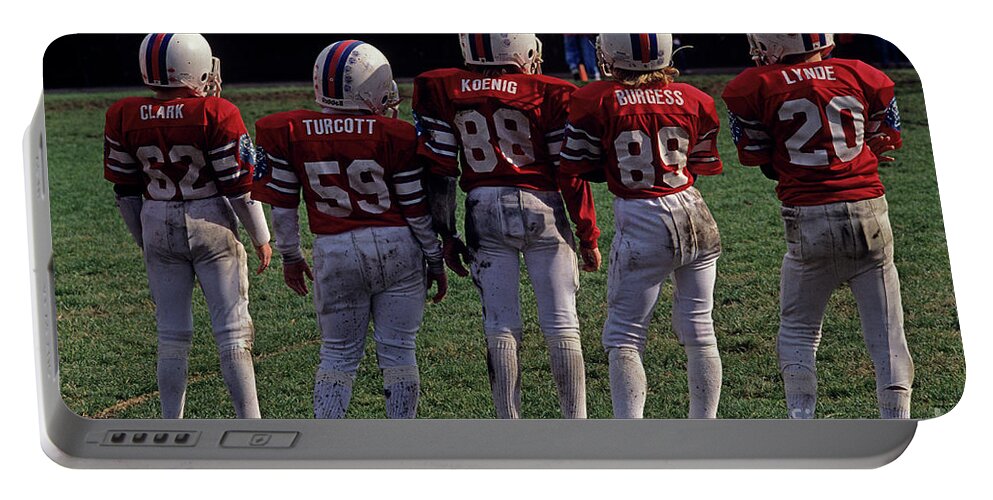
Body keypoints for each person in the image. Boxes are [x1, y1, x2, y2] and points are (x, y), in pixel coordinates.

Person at [252, 40, 447, 419]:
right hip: (397, 247)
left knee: (338, 355)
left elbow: (283, 205)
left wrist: (291, 255)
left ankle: (328, 445)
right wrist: (434, 256)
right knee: (399, 352)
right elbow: (414, 206)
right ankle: (400, 443)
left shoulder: (291, 130)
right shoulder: (396, 133)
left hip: (334, 248)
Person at [722, 33, 913, 419]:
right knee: (889, 336)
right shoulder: (863, 74)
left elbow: (759, 158)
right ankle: (897, 422)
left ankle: (802, 424)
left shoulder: (752, 86)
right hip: (868, 210)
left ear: (776, 44)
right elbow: (885, 135)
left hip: (807, 217)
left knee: (799, 331)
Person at [413, 33, 601, 418]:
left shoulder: (445, 87)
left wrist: (446, 233)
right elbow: (569, 172)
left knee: (500, 324)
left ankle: (508, 423)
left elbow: (442, 170)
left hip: (483, 207)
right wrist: (588, 233)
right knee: (562, 320)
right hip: (541, 205)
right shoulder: (550, 90)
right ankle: (576, 422)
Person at [103, 33, 272, 418]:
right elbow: (240, 186)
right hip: (208, 215)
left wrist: (145, 241)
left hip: (155, 217)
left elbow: (125, 191)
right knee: (232, 332)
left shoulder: (123, 114)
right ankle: (251, 424)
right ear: (193, 65)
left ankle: (171, 424)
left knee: (171, 336)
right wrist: (261, 237)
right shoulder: (216, 111)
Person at [560, 33, 724, 419]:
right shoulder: (694, 98)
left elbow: (579, 165)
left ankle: (629, 433)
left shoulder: (595, 99)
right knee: (701, 330)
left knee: (624, 336)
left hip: (641, 216)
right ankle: (706, 428)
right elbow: (701, 162)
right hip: (696, 213)